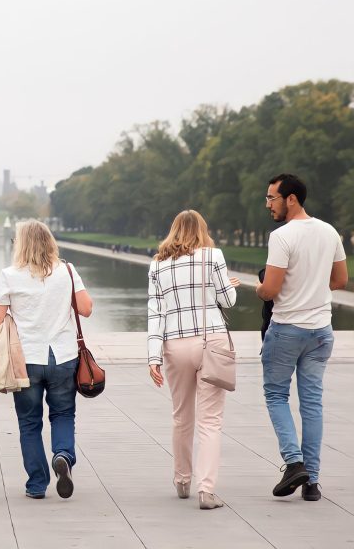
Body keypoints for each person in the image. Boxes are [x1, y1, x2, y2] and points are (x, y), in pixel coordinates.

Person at [257, 174, 347, 502]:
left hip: (287, 329)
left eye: (272, 198)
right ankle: (312, 482)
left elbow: (271, 289)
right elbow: (339, 280)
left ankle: (294, 462)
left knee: (276, 396)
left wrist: (258, 288)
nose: (268, 204)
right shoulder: (329, 232)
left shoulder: (283, 236)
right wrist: (312, 285)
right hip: (321, 330)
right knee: (311, 403)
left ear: (290, 198)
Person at [0, 219, 92, 500]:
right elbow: (86, 308)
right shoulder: (67, 272)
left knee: (30, 422)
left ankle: (36, 483)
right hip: (63, 356)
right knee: (62, 414)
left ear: (20, 244)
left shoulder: (9, 275)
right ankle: (62, 455)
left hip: (27, 358)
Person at [147, 210, 239, 510]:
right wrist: (229, 285)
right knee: (210, 420)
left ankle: (182, 480)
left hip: (175, 343)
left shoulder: (158, 264)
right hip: (210, 340)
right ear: (203, 230)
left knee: (181, 415)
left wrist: (153, 356)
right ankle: (206, 491)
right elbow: (228, 301)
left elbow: (155, 313)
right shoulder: (213, 256)